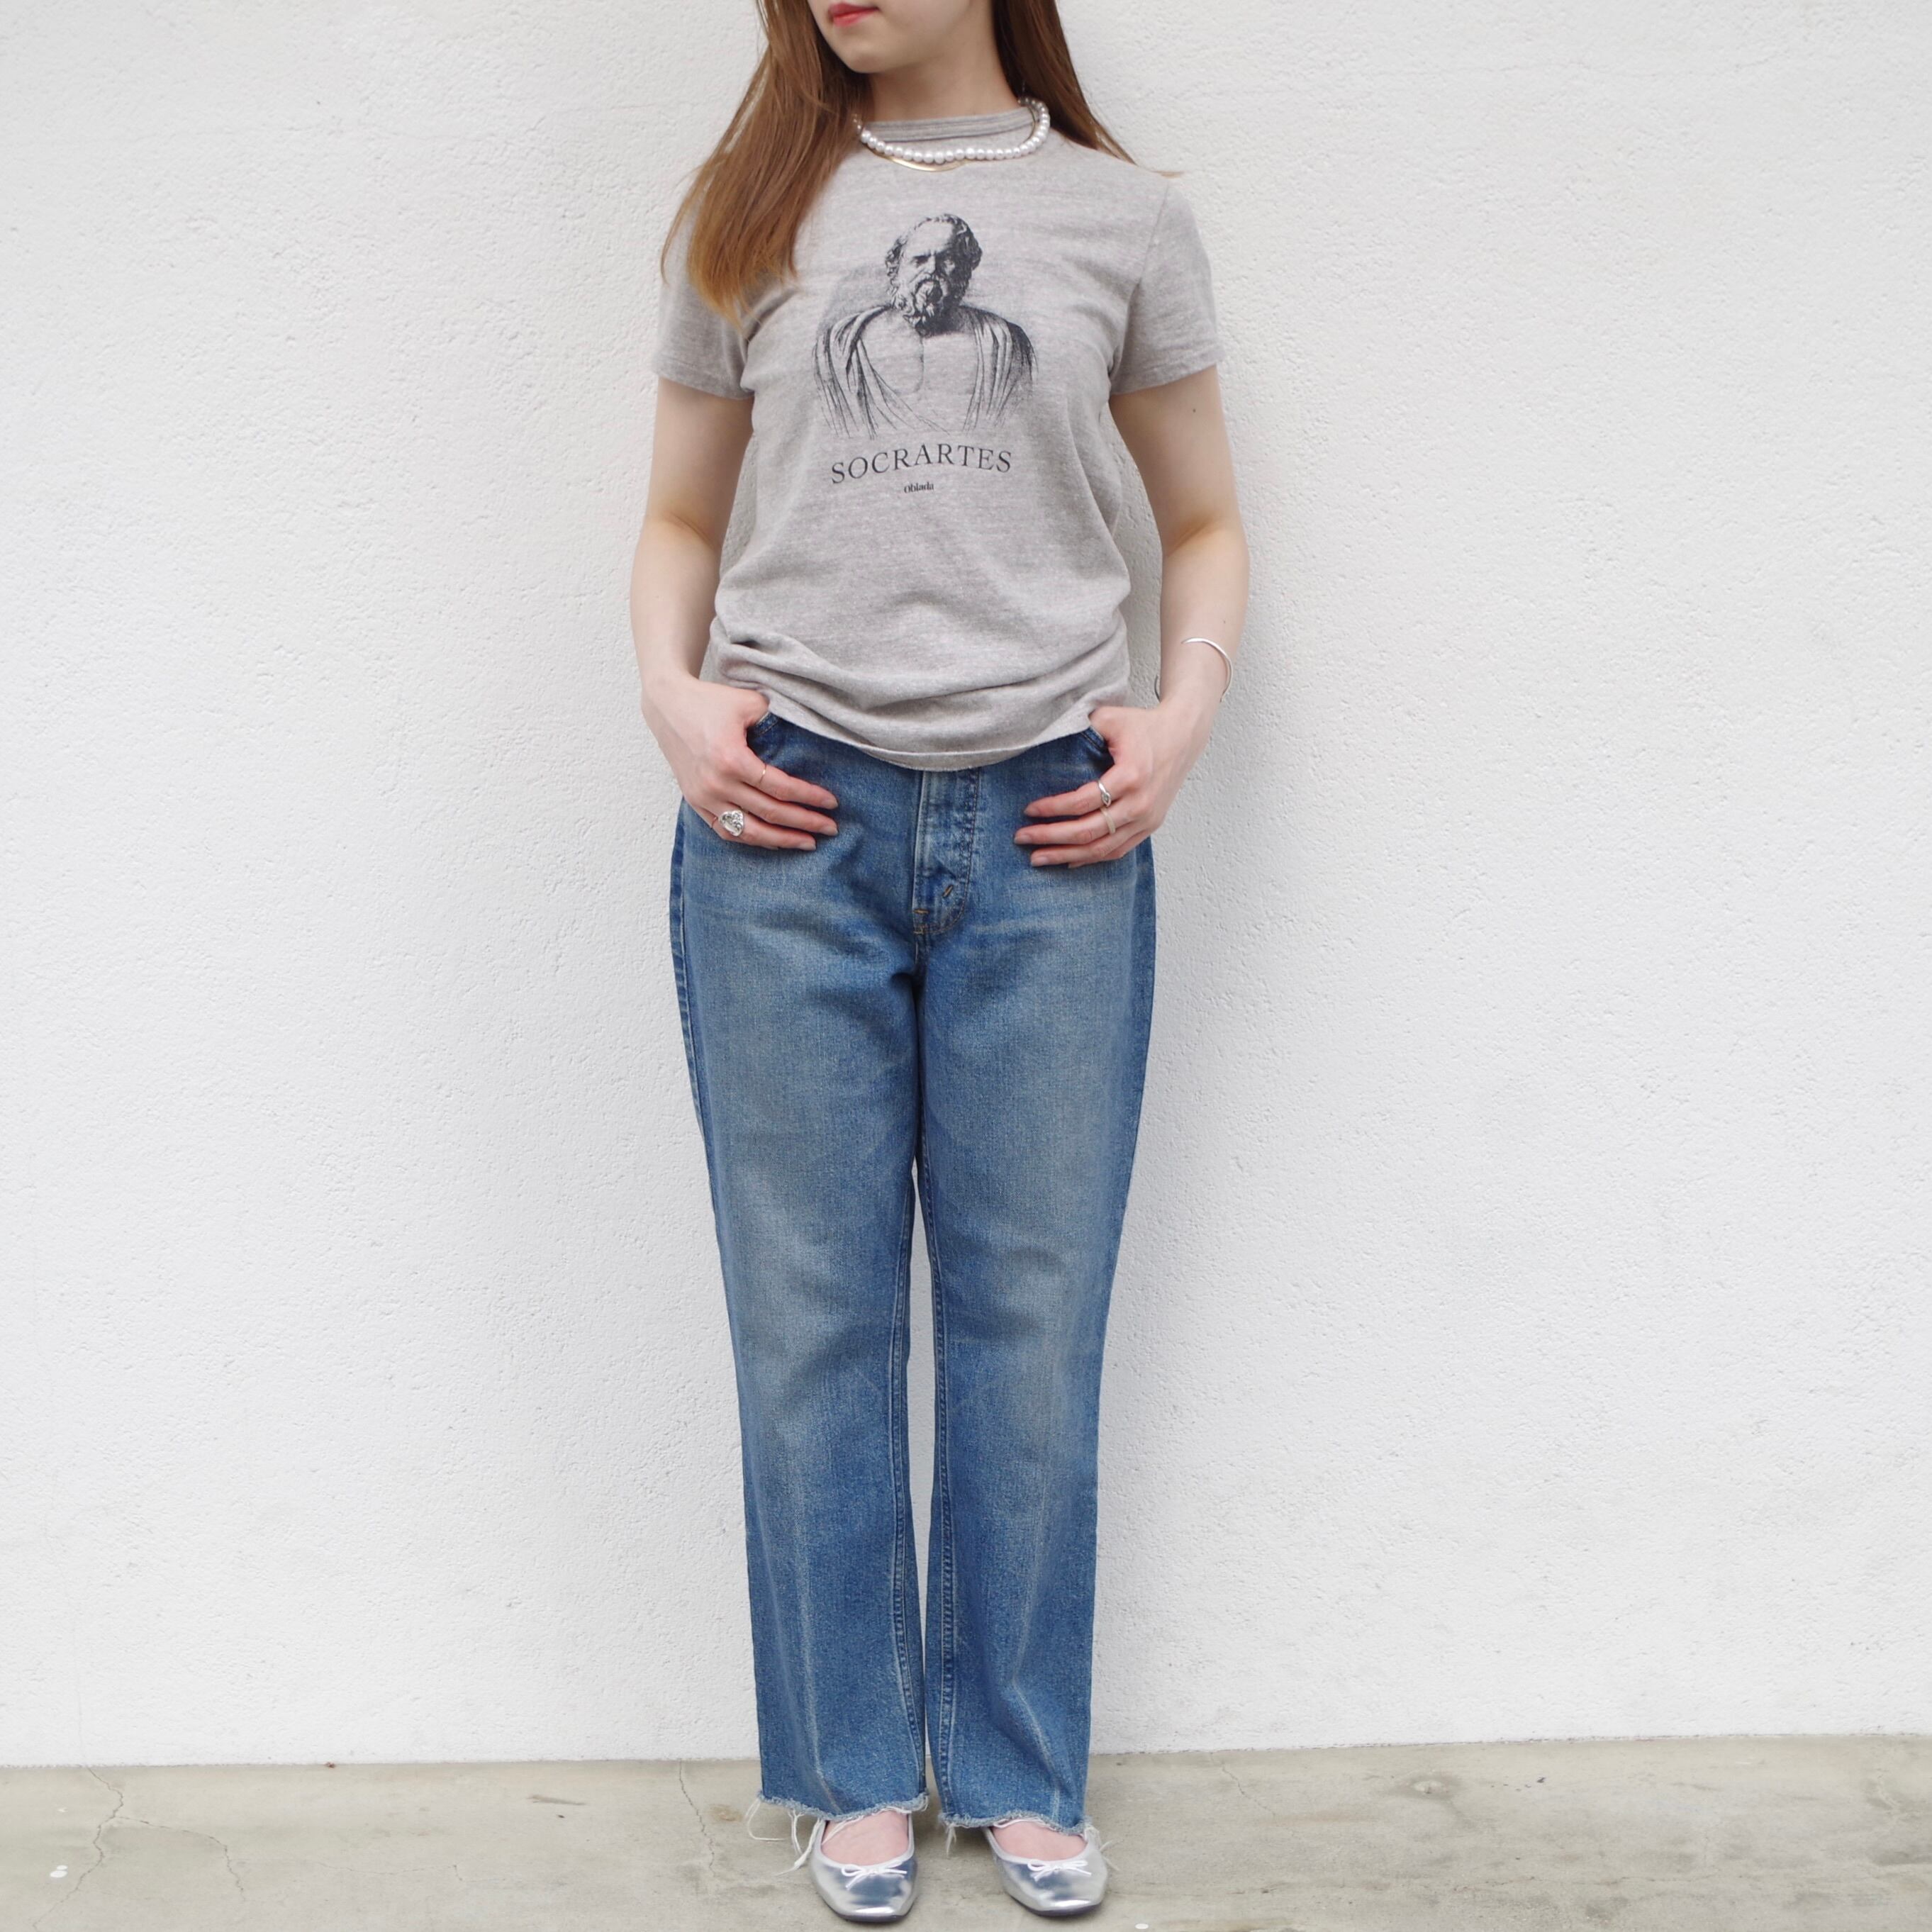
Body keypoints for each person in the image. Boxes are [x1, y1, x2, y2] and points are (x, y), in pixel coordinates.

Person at [630, 0, 1248, 1917]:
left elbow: (1205, 520)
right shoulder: (747, 208)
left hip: (1055, 823)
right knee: (808, 1321)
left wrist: (1181, 715)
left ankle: (1018, 1763)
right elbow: (680, 513)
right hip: (789, 820)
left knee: (1028, 1318)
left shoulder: (1121, 223)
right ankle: (851, 1774)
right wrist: (669, 693)